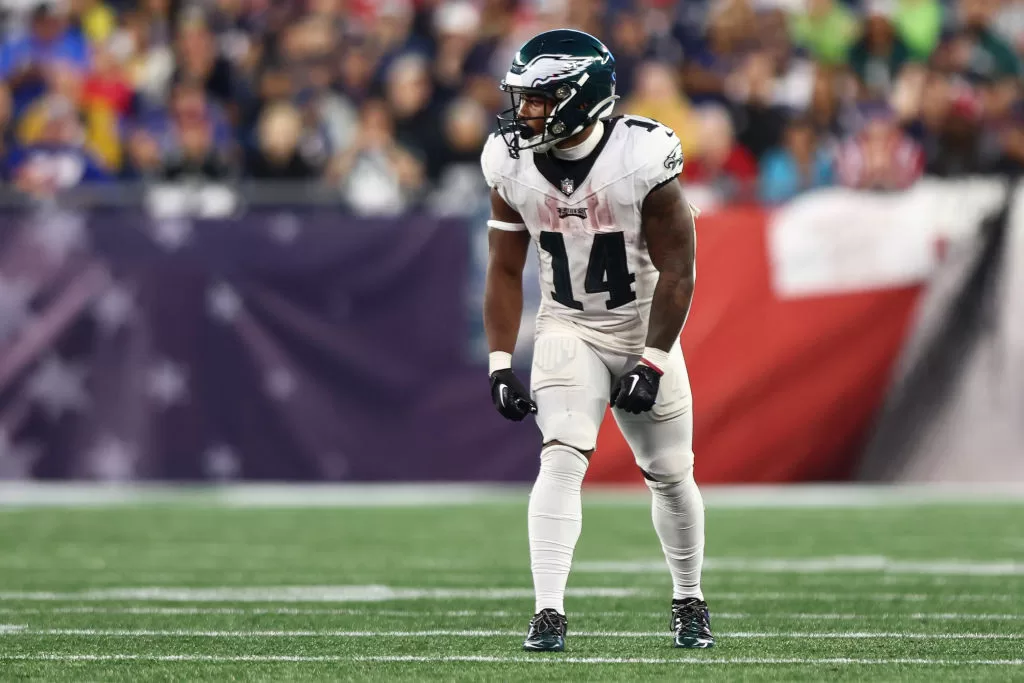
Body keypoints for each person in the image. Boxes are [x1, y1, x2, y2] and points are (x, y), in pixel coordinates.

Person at [480, 29, 712, 652]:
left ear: (580, 97)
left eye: (540, 97)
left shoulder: (642, 153)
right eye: (522, 97)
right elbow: (504, 266)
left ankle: (689, 597)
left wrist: (654, 360)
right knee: (561, 455)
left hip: (641, 320)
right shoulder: (508, 161)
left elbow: (678, 269)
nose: (525, 111)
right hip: (568, 323)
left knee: (669, 472)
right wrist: (501, 362)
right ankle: (548, 611)